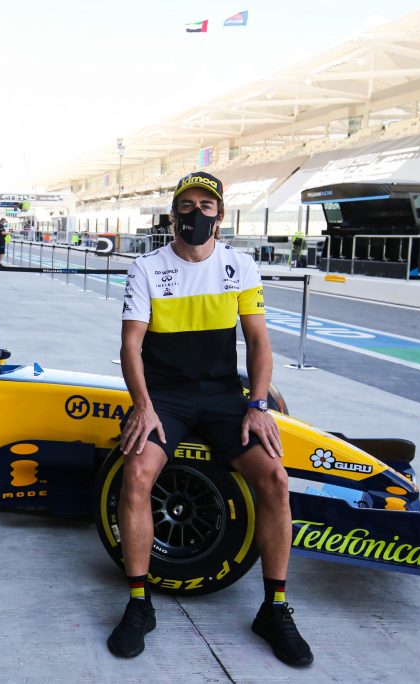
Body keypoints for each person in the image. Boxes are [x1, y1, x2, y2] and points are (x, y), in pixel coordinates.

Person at [110, 172, 312, 667]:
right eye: (186, 205)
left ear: (220, 215)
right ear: (172, 214)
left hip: (223, 396)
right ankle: (139, 603)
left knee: (276, 479)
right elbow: (131, 346)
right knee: (136, 473)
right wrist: (143, 405)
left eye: (206, 205)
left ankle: (275, 609)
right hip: (166, 397)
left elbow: (259, 343)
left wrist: (258, 405)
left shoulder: (240, 265)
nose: (195, 213)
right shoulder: (147, 268)